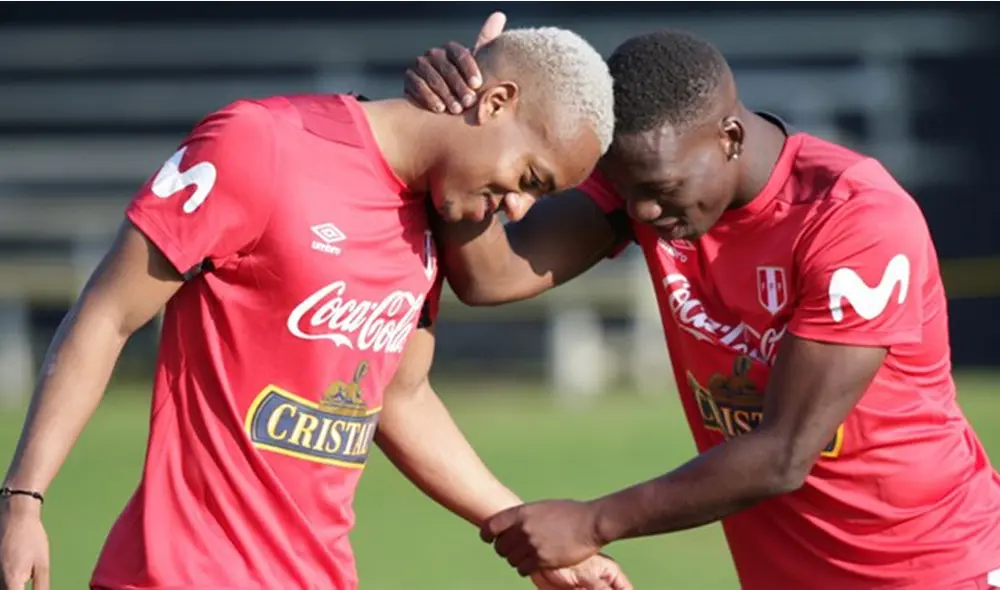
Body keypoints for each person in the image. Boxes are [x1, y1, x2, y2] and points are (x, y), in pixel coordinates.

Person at [0, 26, 628, 590]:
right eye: (530, 179)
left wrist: (530, 535)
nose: (517, 209)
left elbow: (401, 398)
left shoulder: (428, 222)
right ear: (495, 102)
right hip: (181, 574)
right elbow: (107, 315)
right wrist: (23, 502)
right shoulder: (260, 145)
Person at [405, 14, 1000, 590]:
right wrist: (465, 137)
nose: (640, 213)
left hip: (938, 566)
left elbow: (784, 453)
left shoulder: (853, 217)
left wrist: (592, 522)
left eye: (659, 191)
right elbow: (493, 278)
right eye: (627, 189)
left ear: (730, 138)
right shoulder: (652, 184)